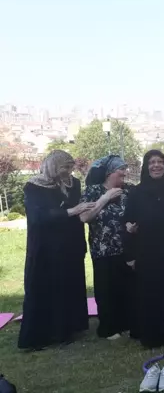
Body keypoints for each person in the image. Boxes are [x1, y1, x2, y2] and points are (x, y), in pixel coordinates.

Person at [18, 150, 95, 351]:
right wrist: (71, 211)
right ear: (53, 166)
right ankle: (41, 335)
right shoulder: (34, 187)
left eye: (70, 168)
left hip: (70, 244)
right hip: (46, 247)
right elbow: (38, 217)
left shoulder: (74, 184)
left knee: (67, 286)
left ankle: (67, 330)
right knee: (45, 287)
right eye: (64, 168)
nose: (68, 172)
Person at [123, 150, 164, 348]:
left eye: (160, 162)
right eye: (152, 162)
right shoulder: (136, 192)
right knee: (149, 294)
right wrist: (130, 255)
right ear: (145, 166)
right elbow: (127, 223)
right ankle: (152, 336)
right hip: (146, 251)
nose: (156, 165)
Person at [80, 155, 135, 340]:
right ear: (110, 172)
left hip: (126, 249)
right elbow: (85, 217)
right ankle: (108, 328)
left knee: (126, 288)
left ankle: (126, 322)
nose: (125, 173)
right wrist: (105, 198)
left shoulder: (127, 192)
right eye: (122, 169)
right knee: (106, 290)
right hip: (102, 249)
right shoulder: (93, 191)